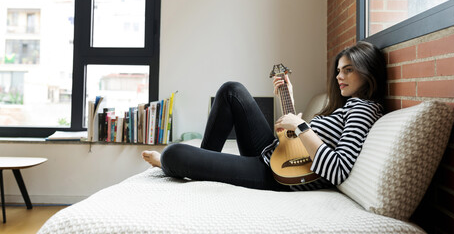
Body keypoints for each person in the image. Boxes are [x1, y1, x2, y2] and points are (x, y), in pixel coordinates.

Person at [142, 41, 387, 191]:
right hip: (276, 156)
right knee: (232, 90)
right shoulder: (345, 106)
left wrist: (301, 125)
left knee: (174, 154)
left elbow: (338, 169)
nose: (339, 77)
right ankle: (205, 162)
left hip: (279, 177)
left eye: (348, 70)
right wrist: (289, 102)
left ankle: (191, 164)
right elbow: (296, 146)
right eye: (338, 71)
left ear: (368, 73)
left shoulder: (363, 109)